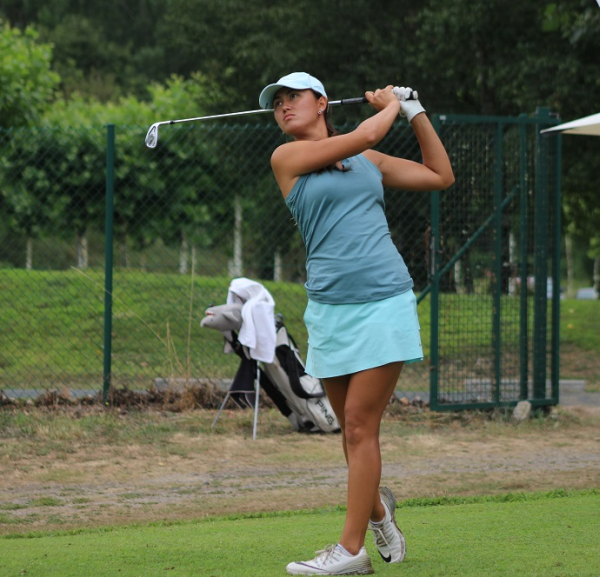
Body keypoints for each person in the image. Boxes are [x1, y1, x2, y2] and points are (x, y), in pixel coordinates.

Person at [258, 72, 454, 575]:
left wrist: (414, 112)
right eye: (277, 103)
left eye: (293, 97)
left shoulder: (368, 161)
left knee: (362, 427)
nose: (284, 107)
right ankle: (380, 513)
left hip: (385, 301)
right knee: (351, 434)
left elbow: (439, 175)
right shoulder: (287, 159)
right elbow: (364, 132)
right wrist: (390, 104)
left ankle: (350, 551)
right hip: (328, 310)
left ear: (322, 102)